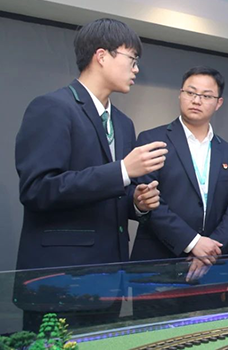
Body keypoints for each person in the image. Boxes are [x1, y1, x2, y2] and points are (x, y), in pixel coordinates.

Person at [14, 18, 165, 330]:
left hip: (109, 284)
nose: (136, 69)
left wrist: (137, 203)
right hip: (59, 283)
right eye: (132, 59)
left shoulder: (122, 123)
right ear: (102, 56)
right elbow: (37, 189)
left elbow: (111, 195)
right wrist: (122, 171)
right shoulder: (52, 107)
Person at [130, 67, 228, 293]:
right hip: (158, 267)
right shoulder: (152, 140)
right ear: (180, 94)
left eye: (206, 96)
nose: (196, 100)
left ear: (219, 103)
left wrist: (209, 251)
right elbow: (150, 201)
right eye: (191, 93)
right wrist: (193, 242)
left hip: (209, 270)